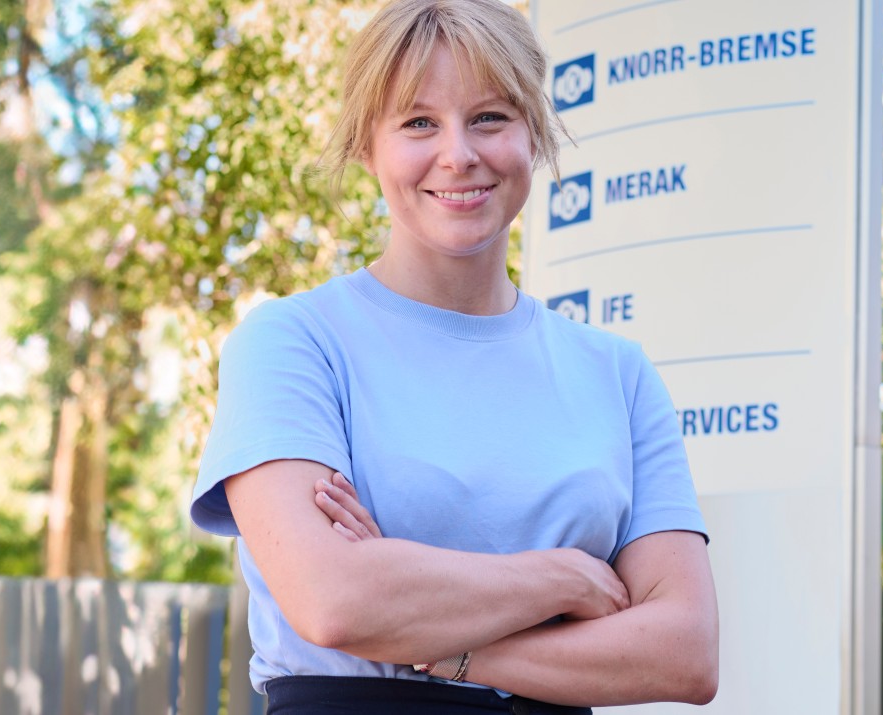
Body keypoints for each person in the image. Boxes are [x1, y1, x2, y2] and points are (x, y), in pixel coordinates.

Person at [186, 1, 719, 712]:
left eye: (491, 117)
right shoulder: (293, 341)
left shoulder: (617, 373)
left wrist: (441, 645)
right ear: (365, 146)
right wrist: (562, 578)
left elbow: (685, 651)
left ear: (535, 133)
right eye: (418, 123)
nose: (459, 154)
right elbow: (334, 601)